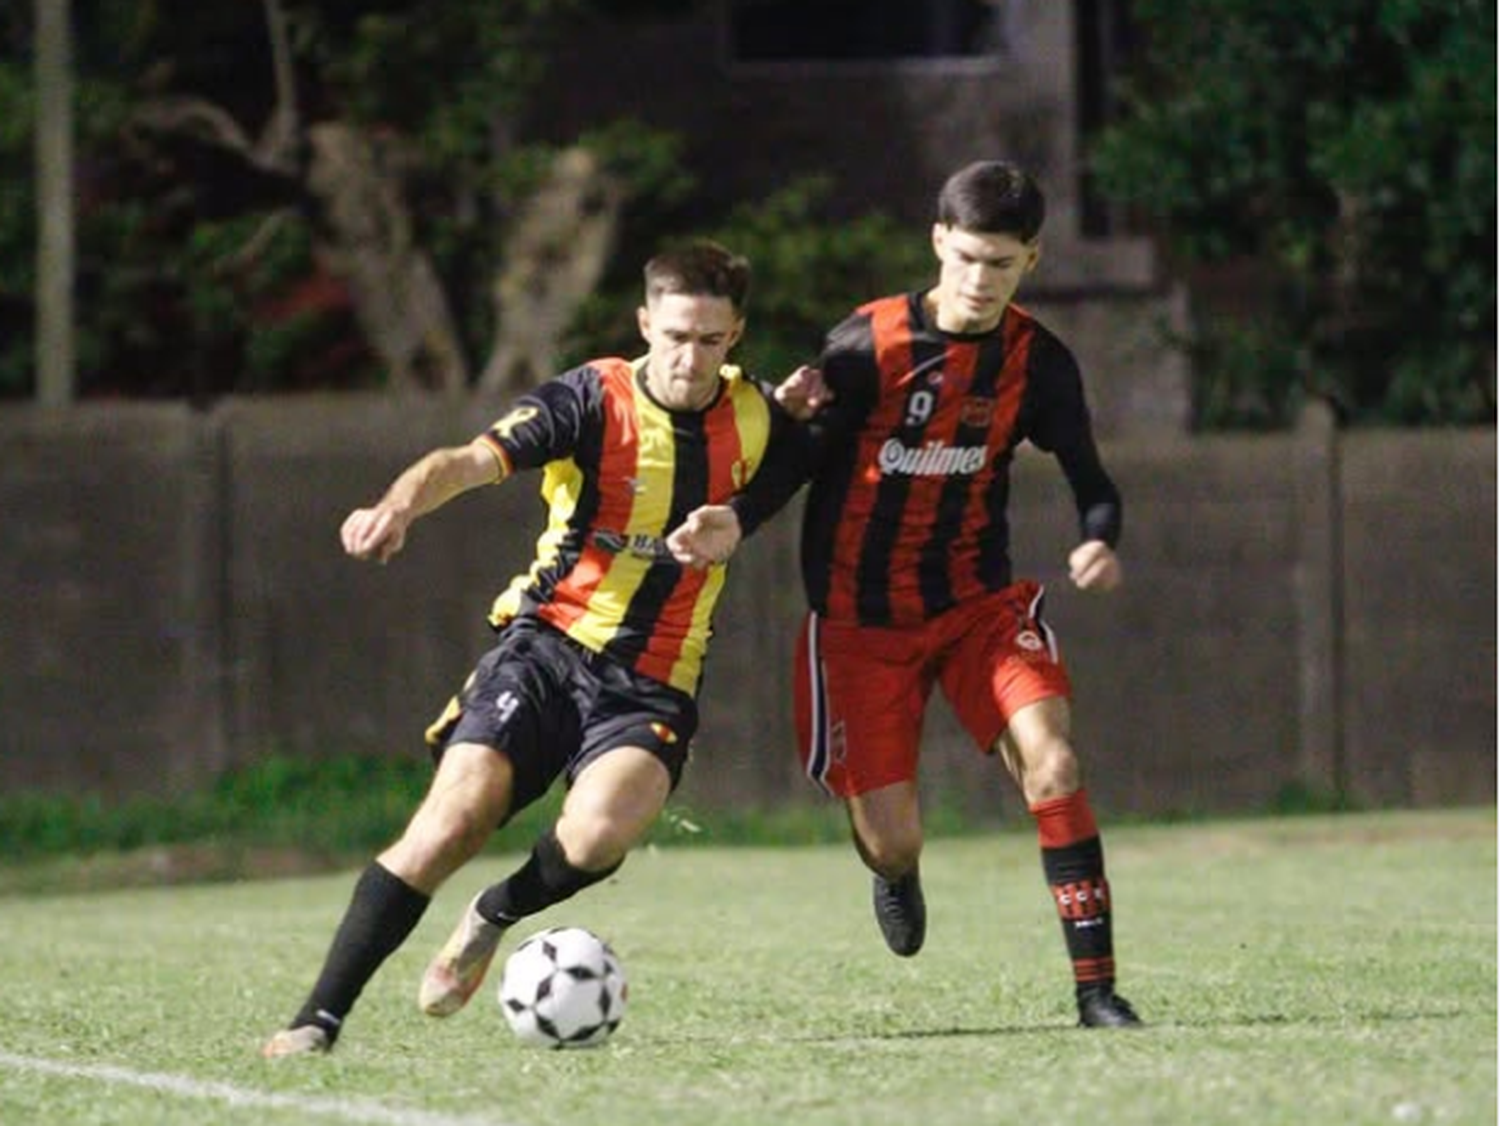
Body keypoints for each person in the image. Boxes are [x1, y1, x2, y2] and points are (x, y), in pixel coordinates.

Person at [262, 240, 796, 1057]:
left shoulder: (760, 417)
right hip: (546, 647)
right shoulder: (592, 399)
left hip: (655, 675)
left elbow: (813, 450)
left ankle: (491, 916)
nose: (691, 359)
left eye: (711, 341)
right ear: (646, 322)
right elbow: (469, 460)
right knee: (452, 820)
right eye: (677, 335)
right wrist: (399, 505)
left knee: (597, 836)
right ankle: (316, 1019)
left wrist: (758, 491)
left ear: (737, 337)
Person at [668, 160, 1142, 1028]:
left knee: (1056, 762)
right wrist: (735, 516)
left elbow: (1091, 477)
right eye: (964, 258)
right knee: (892, 838)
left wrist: (1098, 537)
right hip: (860, 622)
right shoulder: (868, 345)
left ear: (1030, 260)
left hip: (977, 608)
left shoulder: (1038, 363)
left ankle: (1097, 991)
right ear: (937, 243)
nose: (978, 281)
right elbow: (800, 456)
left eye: (1000, 264)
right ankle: (895, 874)